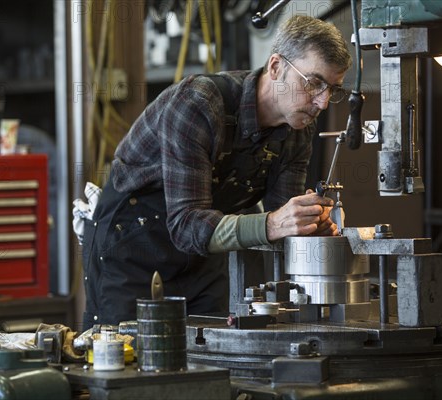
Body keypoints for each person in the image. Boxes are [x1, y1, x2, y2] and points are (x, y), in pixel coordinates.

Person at [78, 15, 352, 330]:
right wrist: (275, 222)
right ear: (276, 66)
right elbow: (186, 225)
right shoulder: (199, 103)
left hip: (203, 257)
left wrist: (306, 224)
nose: (324, 102)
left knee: (213, 358)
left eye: (333, 89)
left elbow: (280, 224)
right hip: (134, 249)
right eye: (314, 83)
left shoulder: (297, 129)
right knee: (126, 361)